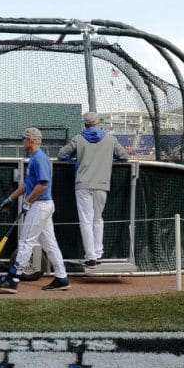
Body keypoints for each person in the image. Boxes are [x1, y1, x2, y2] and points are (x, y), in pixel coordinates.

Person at [0, 127, 70, 293]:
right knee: (50, 244)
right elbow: (28, 184)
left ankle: (12, 279)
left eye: (24, 139)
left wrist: (28, 201)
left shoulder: (39, 158)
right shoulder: (35, 158)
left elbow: (43, 185)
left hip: (40, 205)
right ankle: (62, 277)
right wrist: (11, 199)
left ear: (31, 141)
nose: (23, 142)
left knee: (26, 241)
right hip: (42, 205)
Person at [58, 111, 128, 267]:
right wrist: (110, 156)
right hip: (102, 184)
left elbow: (61, 155)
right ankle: (98, 253)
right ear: (98, 123)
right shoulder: (110, 139)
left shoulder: (78, 138)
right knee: (98, 219)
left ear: (85, 124)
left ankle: (91, 256)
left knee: (86, 221)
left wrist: (74, 157)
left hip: (83, 184)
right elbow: (124, 156)